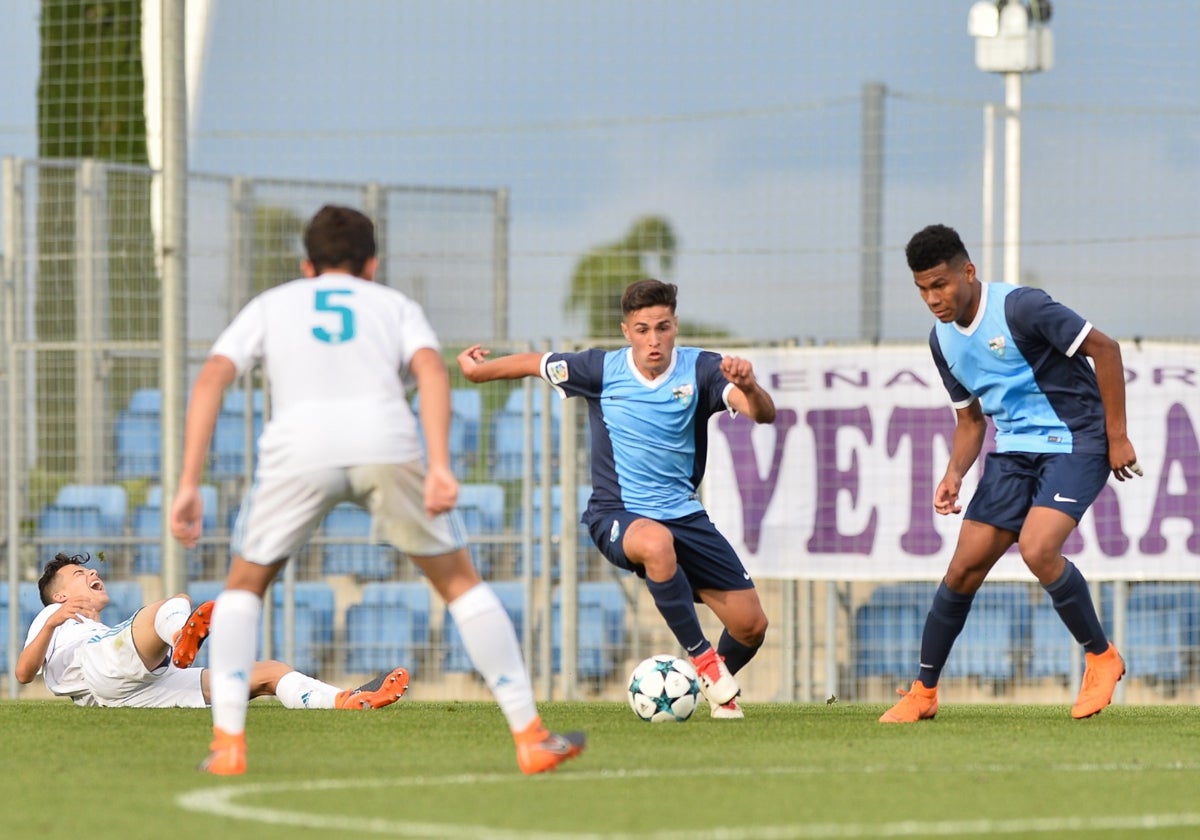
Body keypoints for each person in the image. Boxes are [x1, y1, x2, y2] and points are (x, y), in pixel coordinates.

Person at [170, 204, 583, 776]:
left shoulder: (272, 304)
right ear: (372, 264)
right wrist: (440, 464)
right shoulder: (394, 305)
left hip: (298, 450)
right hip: (384, 442)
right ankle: (530, 735)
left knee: (244, 588)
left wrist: (189, 482)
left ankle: (228, 745)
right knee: (460, 583)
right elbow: (433, 371)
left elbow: (213, 374)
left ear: (306, 265)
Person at [457, 278, 776, 719]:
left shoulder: (702, 369)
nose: (654, 340)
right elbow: (536, 363)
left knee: (751, 625)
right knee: (656, 543)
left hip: (686, 515)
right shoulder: (601, 370)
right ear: (627, 331)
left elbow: (764, 413)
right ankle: (703, 659)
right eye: (643, 329)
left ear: (675, 326)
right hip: (618, 516)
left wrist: (751, 387)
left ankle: (694, 687)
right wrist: (477, 373)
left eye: (662, 328)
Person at [880, 223, 1141, 724]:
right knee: (963, 568)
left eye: (941, 284)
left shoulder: (1021, 308)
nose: (933, 298)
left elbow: (1105, 350)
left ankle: (1101, 657)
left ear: (968, 272)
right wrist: (955, 471)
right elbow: (970, 419)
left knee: (1038, 548)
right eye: (922, 289)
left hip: (1077, 440)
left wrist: (1117, 437)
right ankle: (924, 692)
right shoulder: (941, 342)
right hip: (1014, 452)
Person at [17, 552, 408, 710]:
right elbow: (22, 674)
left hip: (137, 693)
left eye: (92, 570)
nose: (93, 574)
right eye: (80, 574)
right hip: (105, 670)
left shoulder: (95, 628)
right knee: (172, 603)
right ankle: (180, 635)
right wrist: (53, 620)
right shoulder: (53, 619)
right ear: (60, 594)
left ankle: (346, 700)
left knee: (268, 674)